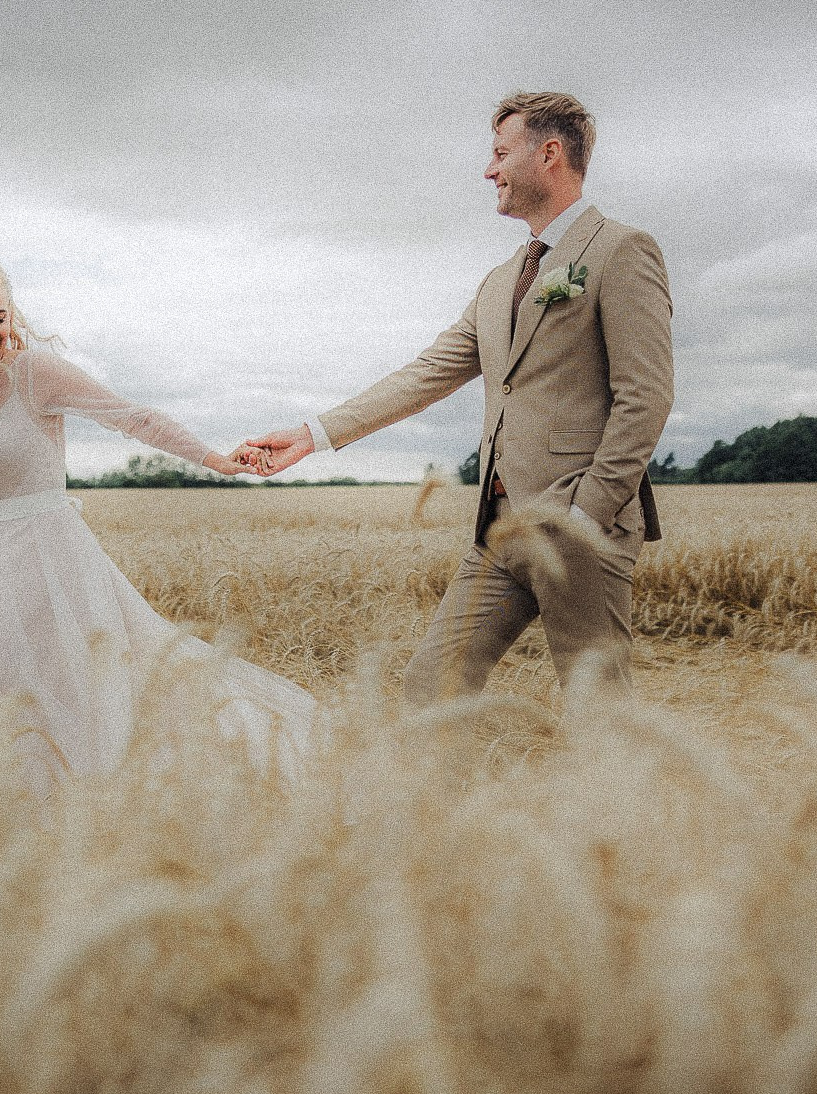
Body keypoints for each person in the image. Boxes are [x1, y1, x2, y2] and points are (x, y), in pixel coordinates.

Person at [239, 91, 673, 706]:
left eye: (500, 153)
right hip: (499, 531)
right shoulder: (500, 282)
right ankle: (445, 806)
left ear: (549, 155)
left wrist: (584, 514)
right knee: (431, 685)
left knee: (596, 706)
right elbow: (427, 373)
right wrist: (313, 434)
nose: (488, 170)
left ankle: (617, 805)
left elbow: (646, 396)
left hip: (580, 528)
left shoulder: (620, 252)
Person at [0, 257, 316, 801]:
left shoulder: (35, 373)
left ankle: (116, 816)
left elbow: (133, 417)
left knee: (85, 695)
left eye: (1, 316)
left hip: (56, 567)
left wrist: (217, 459)